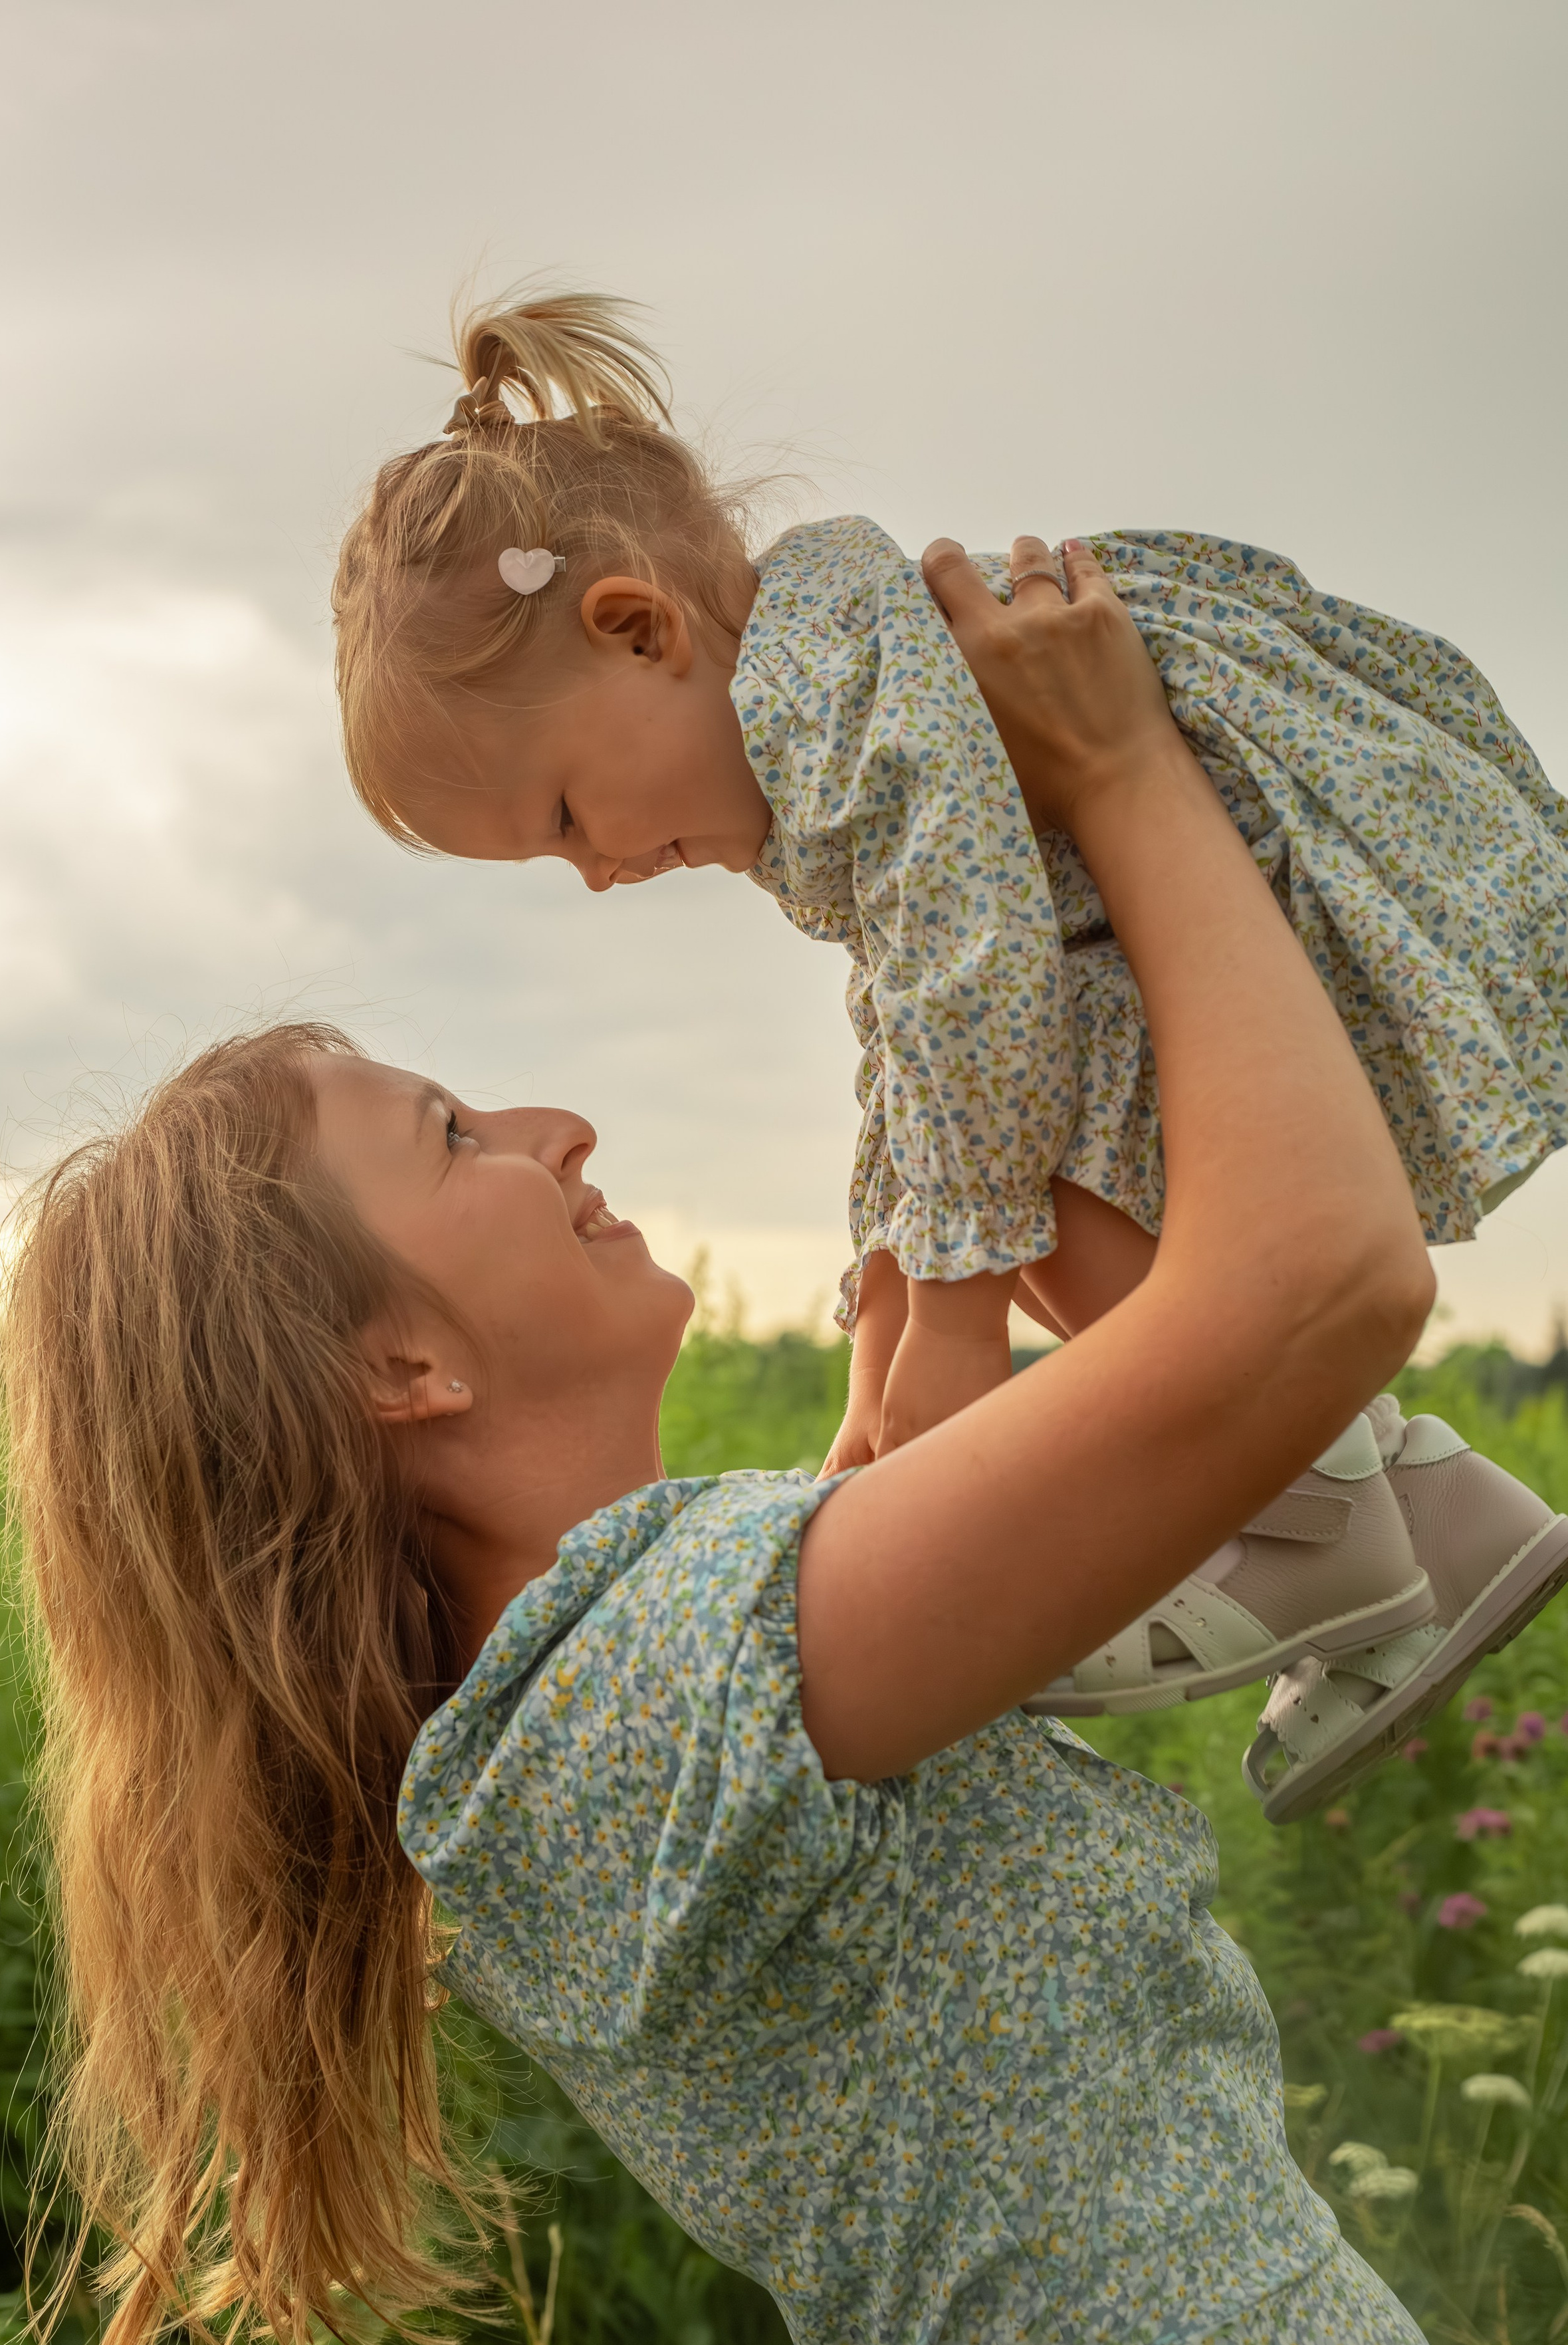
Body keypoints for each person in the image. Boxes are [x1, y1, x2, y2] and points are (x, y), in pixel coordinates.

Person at [0, 543, 1506, 2345]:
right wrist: (1123, 768)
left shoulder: (690, 1637)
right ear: (395, 1368)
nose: (561, 1129)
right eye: (454, 1134)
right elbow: (1317, 1282)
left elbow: (1079, 1298)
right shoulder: (626, 1715)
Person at [328, 290, 1568, 1810]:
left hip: (1256, 861)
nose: (596, 874)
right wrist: (882, 1355)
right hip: (1172, 908)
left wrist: (965, 1320)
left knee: (1025, 1142)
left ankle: (1305, 1509)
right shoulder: (809, 726)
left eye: (568, 818)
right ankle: (1421, 1507)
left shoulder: (841, 693)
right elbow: (910, 1049)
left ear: (638, 630)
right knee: (1001, 1125)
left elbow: (973, 993)